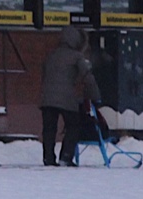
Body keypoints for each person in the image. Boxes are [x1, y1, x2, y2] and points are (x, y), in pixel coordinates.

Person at [40, 25, 101, 167]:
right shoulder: (77, 56)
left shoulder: (51, 54)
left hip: (47, 98)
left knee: (49, 129)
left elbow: (44, 74)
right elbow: (88, 77)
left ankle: (48, 158)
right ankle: (66, 157)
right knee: (73, 125)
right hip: (67, 98)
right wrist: (95, 96)